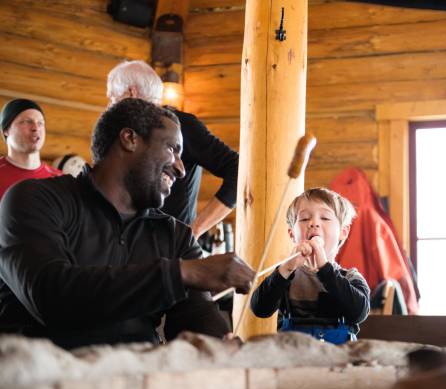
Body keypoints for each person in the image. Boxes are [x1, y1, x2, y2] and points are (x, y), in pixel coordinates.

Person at [0, 98, 255, 349]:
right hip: (41, 381)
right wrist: (183, 273)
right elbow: (50, 296)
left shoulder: (174, 235)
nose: (181, 169)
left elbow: (197, 316)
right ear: (129, 139)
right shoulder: (34, 199)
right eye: (172, 149)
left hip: (137, 383)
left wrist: (221, 345)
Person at [106, 60, 238, 239]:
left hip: (174, 256)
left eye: (113, 98)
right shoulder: (126, 136)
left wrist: (195, 230)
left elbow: (238, 170)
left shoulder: (183, 126)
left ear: (131, 93)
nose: (109, 106)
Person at [250, 187, 370, 344]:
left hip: (338, 359)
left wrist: (325, 269)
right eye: (305, 219)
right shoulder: (286, 275)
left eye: (325, 218)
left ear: (343, 232)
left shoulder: (350, 277)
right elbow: (260, 309)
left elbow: (359, 313)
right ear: (292, 234)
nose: (314, 223)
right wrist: (285, 269)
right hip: (293, 359)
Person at [0, 98, 62, 199]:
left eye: (40, 123)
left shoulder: (60, 180)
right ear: (6, 130)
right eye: (26, 122)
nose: (35, 128)